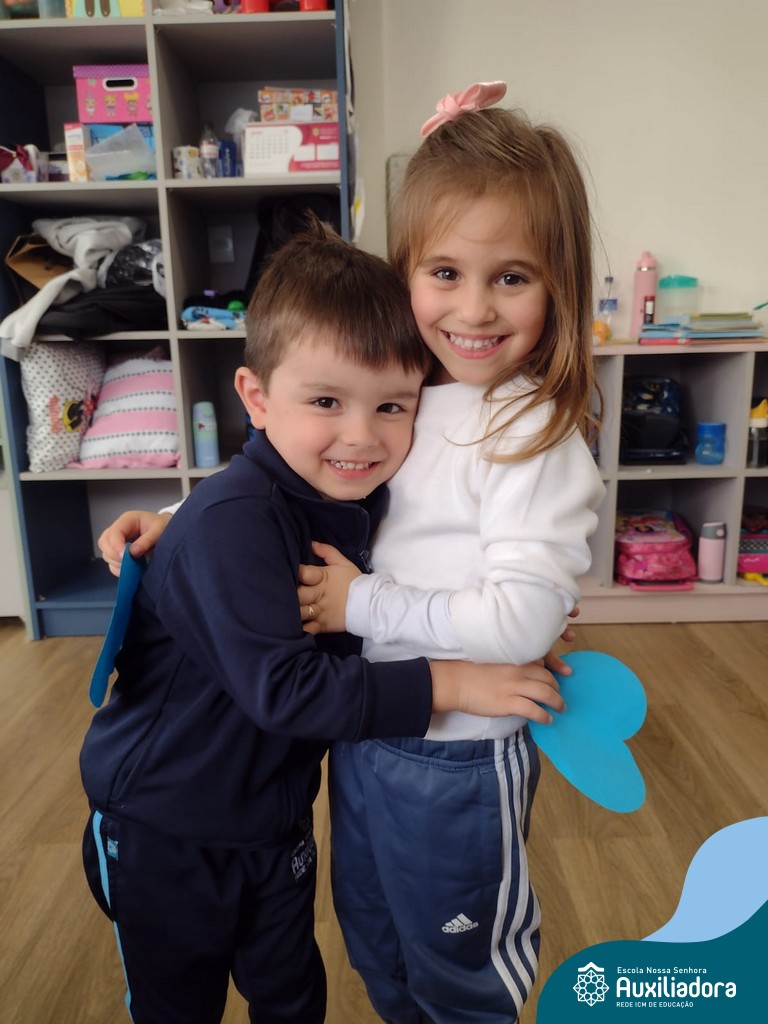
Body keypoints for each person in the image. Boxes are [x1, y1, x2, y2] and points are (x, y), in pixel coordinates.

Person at [81, 219, 565, 1024]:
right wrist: (452, 684)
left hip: (273, 819)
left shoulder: (352, 494)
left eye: (392, 406)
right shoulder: (232, 522)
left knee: (293, 995)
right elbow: (287, 689)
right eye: (326, 402)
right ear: (256, 397)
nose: (361, 436)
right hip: (165, 827)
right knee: (178, 1004)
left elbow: (425, 566)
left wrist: (523, 624)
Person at [291, 82, 606, 1024]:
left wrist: (362, 604)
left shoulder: (531, 429)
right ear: (403, 272)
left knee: (461, 970)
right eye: (444, 272)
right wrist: (179, 521)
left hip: (457, 759)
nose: (474, 308)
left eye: (511, 277)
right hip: (366, 726)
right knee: (377, 939)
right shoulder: (404, 391)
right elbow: (293, 471)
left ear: (559, 284)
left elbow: (521, 621)